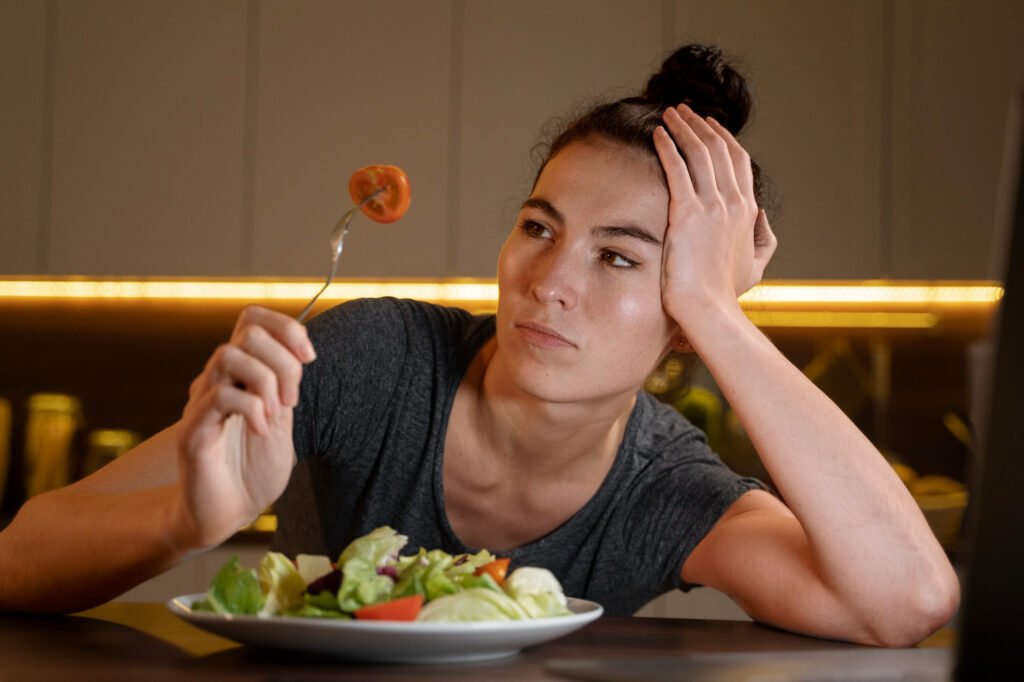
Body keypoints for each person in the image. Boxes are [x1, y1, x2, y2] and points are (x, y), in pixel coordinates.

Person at [0, 44, 958, 646]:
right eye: (539, 228)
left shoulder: (665, 492)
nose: (548, 280)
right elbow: (18, 556)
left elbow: (908, 601)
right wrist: (185, 522)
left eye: (620, 260)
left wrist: (719, 314)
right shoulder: (377, 359)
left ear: (682, 316)